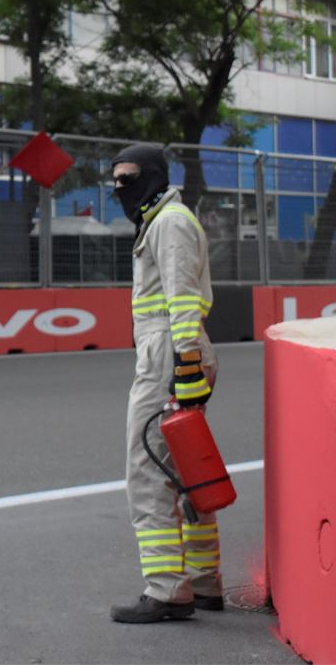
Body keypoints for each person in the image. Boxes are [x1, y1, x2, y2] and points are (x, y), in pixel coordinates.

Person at [108, 143, 221, 624]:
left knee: (148, 469)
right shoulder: (160, 220)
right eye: (115, 179)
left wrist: (186, 363)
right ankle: (204, 581)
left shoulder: (169, 222)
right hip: (174, 350)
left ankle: (167, 590)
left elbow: (183, 299)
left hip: (170, 351)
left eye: (128, 178)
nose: (120, 187)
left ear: (154, 175)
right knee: (186, 468)